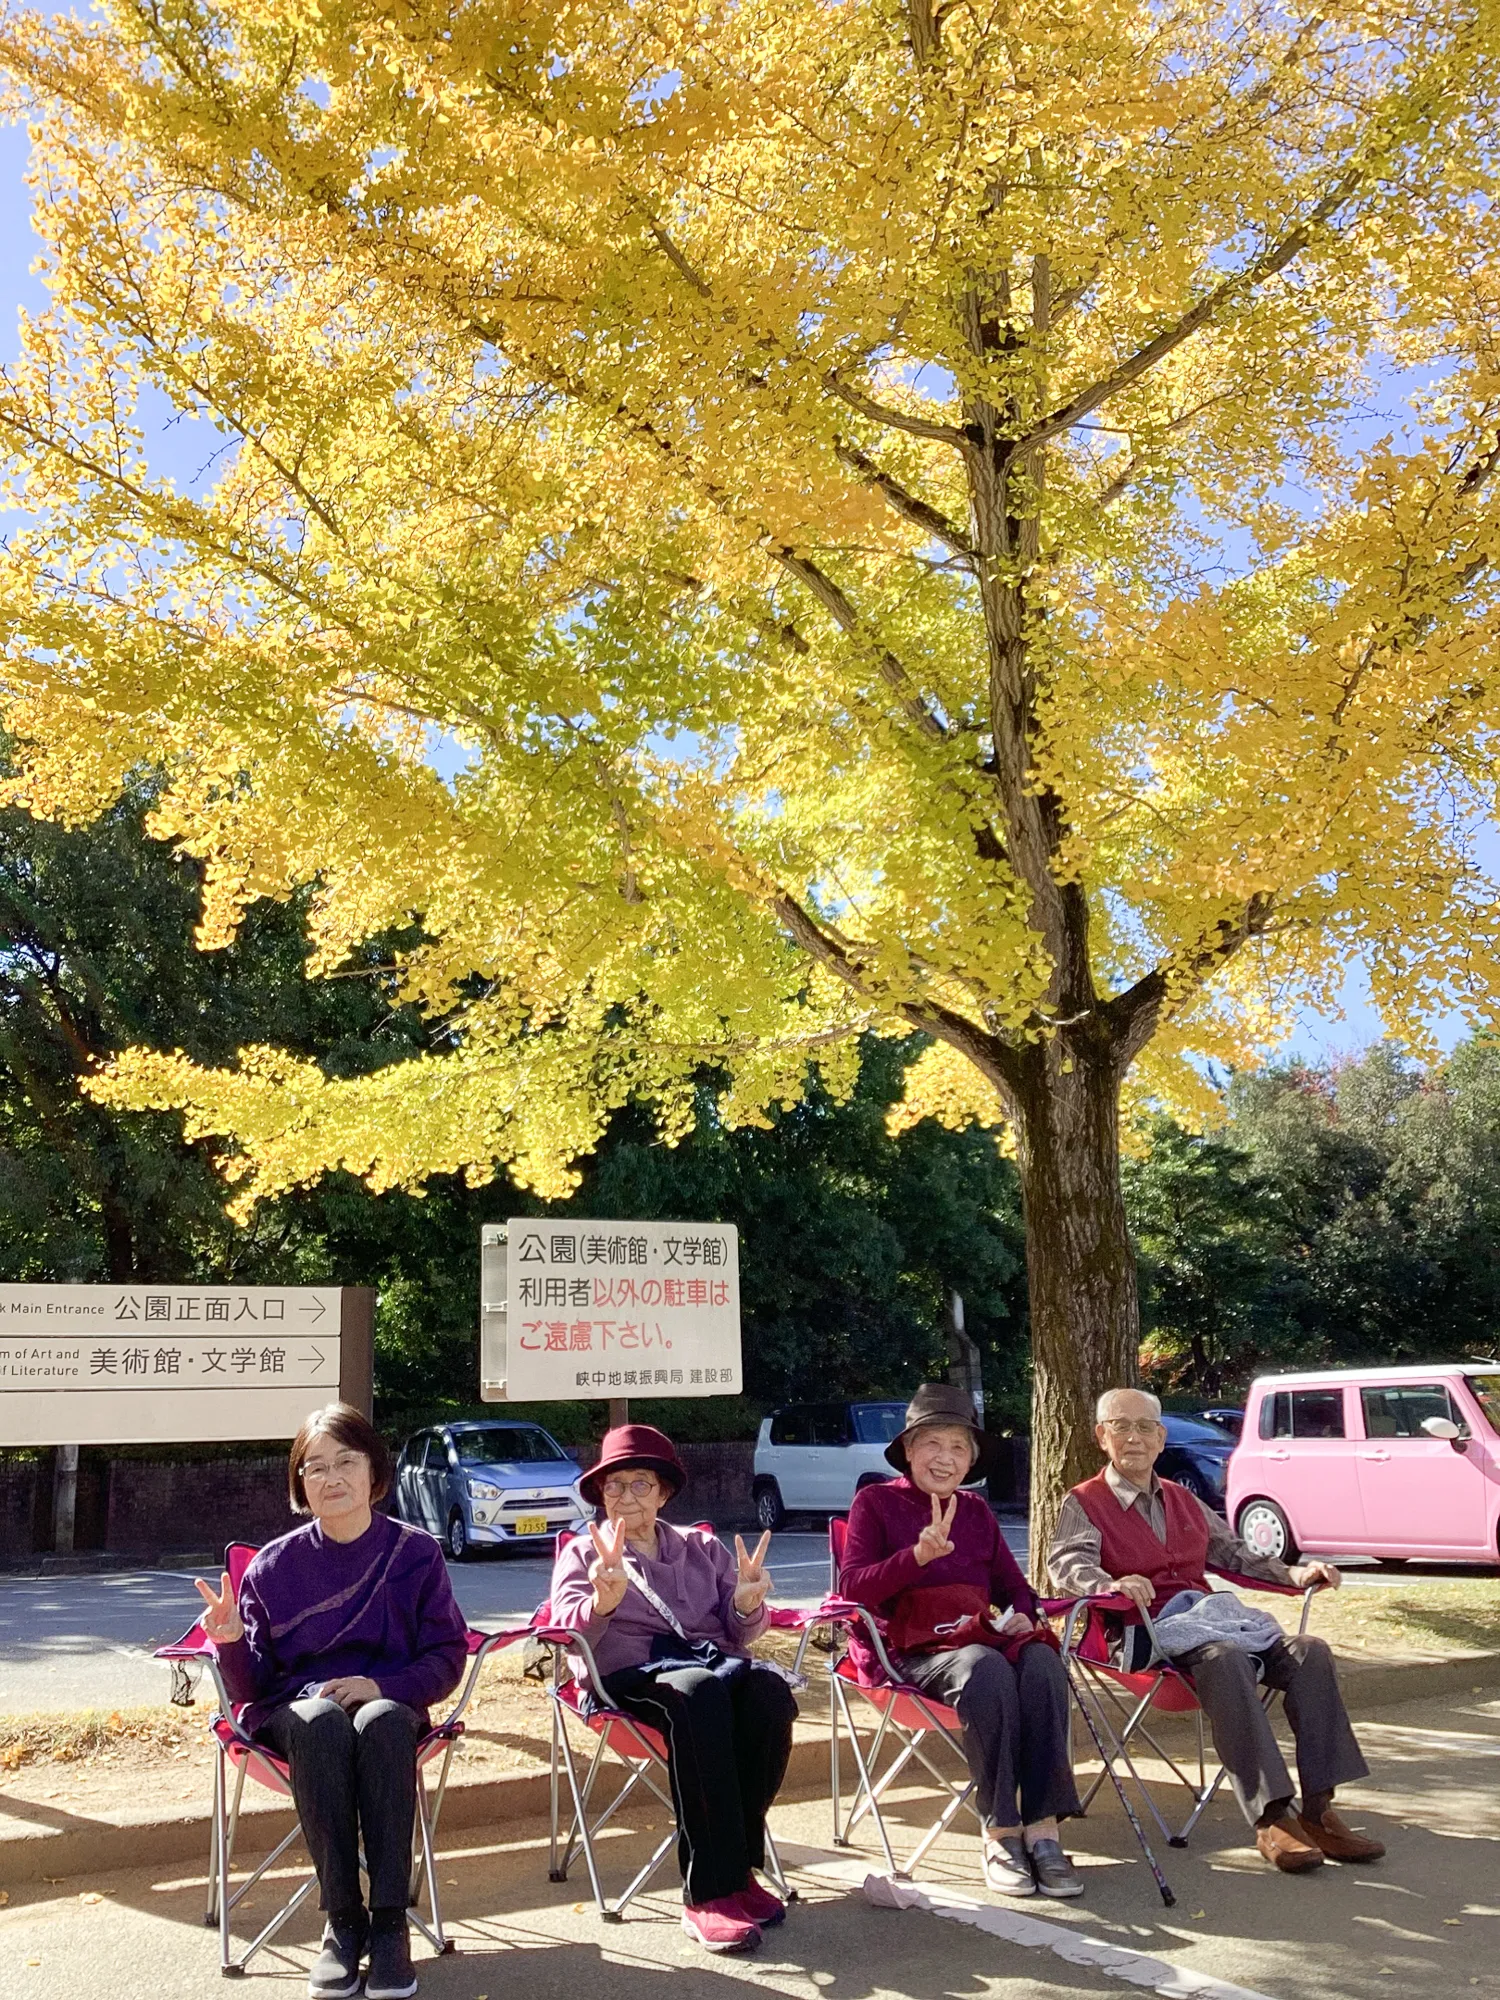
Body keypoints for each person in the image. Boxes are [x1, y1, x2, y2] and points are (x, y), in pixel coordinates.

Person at [1048, 1386, 1386, 1875]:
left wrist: (1294, 1574)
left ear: (1162, 1438)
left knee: (1310, 1651)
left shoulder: (1184, 1499)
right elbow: (1068, 1565)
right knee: (1224, 1656)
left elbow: (1234, 1554)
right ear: (1102, 1436)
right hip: (1138, 1635)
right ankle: (1272, 1817)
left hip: (1205, 1619)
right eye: (1121, 1426)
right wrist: (1111, 1583)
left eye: (1146, 1426)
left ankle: (1319, 1809)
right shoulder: (1084, 1502)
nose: (1134, 1437)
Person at [194, 1404, 469, 2000]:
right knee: (320, 1721)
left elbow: (447, 1656)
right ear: (300, 1485)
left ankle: (390, 1924)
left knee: (385, 1720)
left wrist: (385, 1686)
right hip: (296, 1716)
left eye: (347, 1461)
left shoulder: (416, 1554)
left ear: (375, 1471)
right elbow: (251, 1690)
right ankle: (343, 1923)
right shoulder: (270, 1568)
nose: (332, 1477)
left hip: (387, 1712)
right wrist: (231, 1644)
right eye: (315, 1467)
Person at [548, 1422, 796, 1955]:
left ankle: (738, 1872)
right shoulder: (583, 1552)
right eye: (613, 1485)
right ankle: (706, 1894)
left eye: (640, 1483)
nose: (625, 1496)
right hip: (626, 1677)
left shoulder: (701, 1546)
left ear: (663, 1493)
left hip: (708, 1667)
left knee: (772, 1698)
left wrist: (749, 1604)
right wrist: (603, 1600)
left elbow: (740, 1629)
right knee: (697, 1692)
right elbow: (568, 1632)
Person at [841, 1384, 1084, 1898]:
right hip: (908, 1652)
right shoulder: (876, 1503)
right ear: (908, 1450)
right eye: (931, 1444)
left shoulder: (975, 1512)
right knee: (985, 1668)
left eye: (958, 1447)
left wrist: (1022, 1614)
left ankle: (1043, 1830)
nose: (945, 1458)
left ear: (971, 1458)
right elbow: (853, 1590)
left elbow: (1015, 1588)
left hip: (974, 1639)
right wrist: (917, 1558)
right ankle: (1000, 1832)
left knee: (1041, 1659)